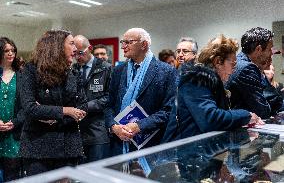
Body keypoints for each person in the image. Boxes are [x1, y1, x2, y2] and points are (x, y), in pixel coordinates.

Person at [163, 35, 264, 142]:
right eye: (233, 64)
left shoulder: (210, 81)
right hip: (177, 152)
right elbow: (209, 119)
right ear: (218, 61)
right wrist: (246, 115)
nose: (233, 70)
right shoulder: (196, 79)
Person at [20, 30, 87, 176]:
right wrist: (65, 111)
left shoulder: (74, 73)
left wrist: (46, 113)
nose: (76, 49)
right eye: (71, 44)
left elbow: (82, 107)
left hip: (69, 146)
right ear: (56, 46)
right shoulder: (31, 70)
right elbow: (29, 108)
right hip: (37, 147)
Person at [104, 28, 177, 156]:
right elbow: (109, 105)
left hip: (150, 144)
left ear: (144, 45)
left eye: (128, 42)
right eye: (122, 42)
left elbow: (169, 110)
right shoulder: (118, 70)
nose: (123, 46)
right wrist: (113, 127)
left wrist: (139, 126)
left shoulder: (166, 71)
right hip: (119, 142)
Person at [74, 35, 112, 162]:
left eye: (80, 53)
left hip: (98, 130)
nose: (77, 57)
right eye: (75, 53)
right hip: (77, 131)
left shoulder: (106, 68)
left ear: (89, 48)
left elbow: (110, 97)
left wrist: (87, 106)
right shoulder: (73, 70)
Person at [226, 27, 274, 119]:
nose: (271, 53)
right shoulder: (247, 68)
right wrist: (261, 73)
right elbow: (263, 111)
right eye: (269, 49)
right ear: (258, 49)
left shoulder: (240, 62)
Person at [0, 37, 24, 181]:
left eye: (13, 50)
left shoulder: (22, 76)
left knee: (12, 177)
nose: (11, 53)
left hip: (14, 134)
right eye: (6, 50)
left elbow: (26, 107)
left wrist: (14, 122)